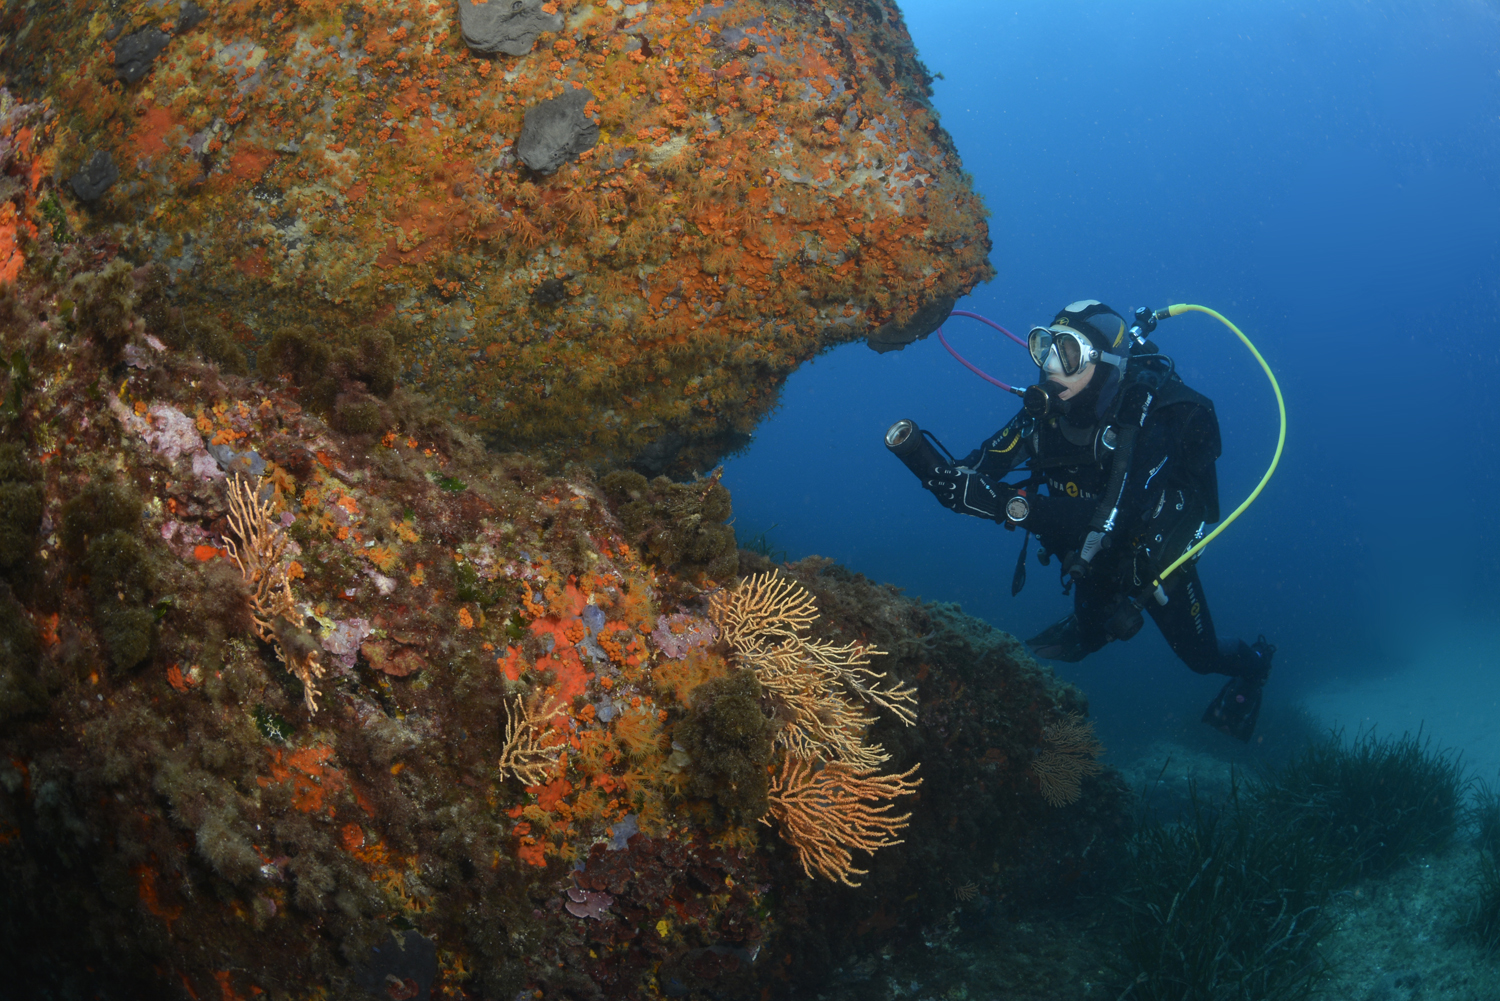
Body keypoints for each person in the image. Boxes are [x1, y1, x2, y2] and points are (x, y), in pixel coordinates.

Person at [886, 300, 1274, 741]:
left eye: (1067, 352)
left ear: (1105, 363)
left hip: (1149, 563)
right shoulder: (1046, 412)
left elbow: (1121, 516)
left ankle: (1256, 664)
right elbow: (978, 470)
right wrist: (934, 469)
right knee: (1090, 632)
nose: (1051, 366)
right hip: (1085, 555)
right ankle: (1090, 629)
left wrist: (1004, 504)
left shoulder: (1155, 420)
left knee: (1200, 657)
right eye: (1044, 347)